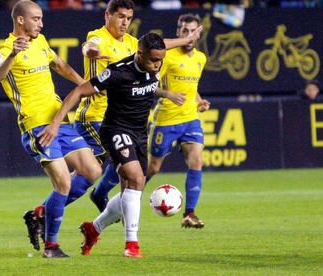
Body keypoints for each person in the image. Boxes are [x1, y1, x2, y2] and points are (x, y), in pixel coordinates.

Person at [38, 33, 185, 258]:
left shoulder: (153, 65)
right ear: (140, 53)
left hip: (139, 134)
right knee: (136, 179)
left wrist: (186, 41)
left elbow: (148, 82)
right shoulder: (118, 72)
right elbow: (79, 90)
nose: (158, 65)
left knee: (132, 189)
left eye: (161, 60)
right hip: (115, 130)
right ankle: (132, 246)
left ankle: (94, 228)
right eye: (154, 60)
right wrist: (57, 122)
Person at [0, 0, 102, 258]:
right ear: (20, 20)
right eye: (36, 18)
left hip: (58, 121)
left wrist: (86, 85)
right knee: (62, 182)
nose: (41, 23)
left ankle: (39, 213)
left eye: (40, 18)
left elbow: (60, 66)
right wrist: (13, 55)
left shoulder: (40, 42)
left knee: (92, 170)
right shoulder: (7, 49)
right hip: (36, 126)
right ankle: (51, 247)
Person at [79, 0, 203, 214]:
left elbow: (157, 46)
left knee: (125, 168)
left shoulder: (131, 43)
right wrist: (90, 51)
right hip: (98, 114)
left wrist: (186, 39)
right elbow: (89, 45)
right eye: (120, 17)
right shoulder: (98, 37)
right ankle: (46, 212)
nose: (125, 22)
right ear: (107, 16)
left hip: (125, 116)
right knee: (95, 172)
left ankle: (114, 218)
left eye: (128, 18)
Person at [147, 13, 209, 229]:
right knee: (153, 167)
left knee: (196, 160)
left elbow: (192, 88)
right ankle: (129, 196)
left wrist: (199, 101)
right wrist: (168, 94)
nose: (189, 35)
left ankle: (189, 213)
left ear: (199, 32)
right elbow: (148, 85)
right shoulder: (167, 57)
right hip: (166, 119)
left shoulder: (201, 58)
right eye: (184, 31)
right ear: (178, 32)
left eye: (192, 31)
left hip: (190, 118)